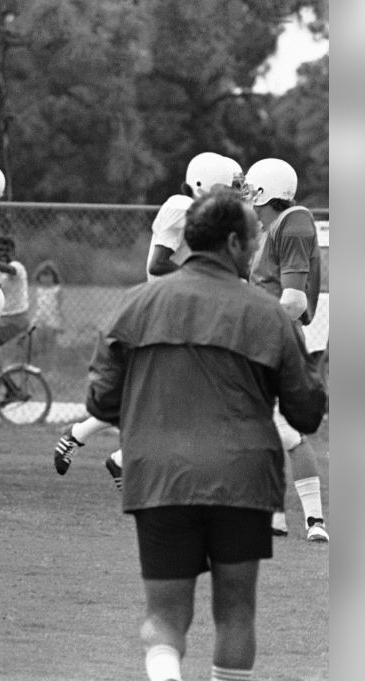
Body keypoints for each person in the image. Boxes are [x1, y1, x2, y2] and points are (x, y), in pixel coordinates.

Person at [84, 189, 326, 681]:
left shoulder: (135, 303)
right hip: (241, 477)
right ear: (235, 242)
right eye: (254, 239)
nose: (258, 247)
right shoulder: (267, 313)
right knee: (236, 610)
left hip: (159, 475)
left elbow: (100, 399)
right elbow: (307, 413)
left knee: (165, 613)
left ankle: (168, 679)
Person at [55, 152, 238, 484]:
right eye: (228, 189)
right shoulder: (182, 207)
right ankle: (115, 455)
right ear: (203, 185)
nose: (233, 197)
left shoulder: (203, 214)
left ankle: (87, 439)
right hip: (167, 312)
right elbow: (157, 264)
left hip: (181, 310)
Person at [243, 157, 330, 542]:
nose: (251, 204)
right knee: (272, 428)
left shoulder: (293, 222)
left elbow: (293, 301)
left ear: (266, 192)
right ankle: (282, 517)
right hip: (272, 335)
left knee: (279, 429)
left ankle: (308, 519)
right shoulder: (280, 225)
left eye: (253, 195)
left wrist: (248, 327)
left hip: (274, 337)